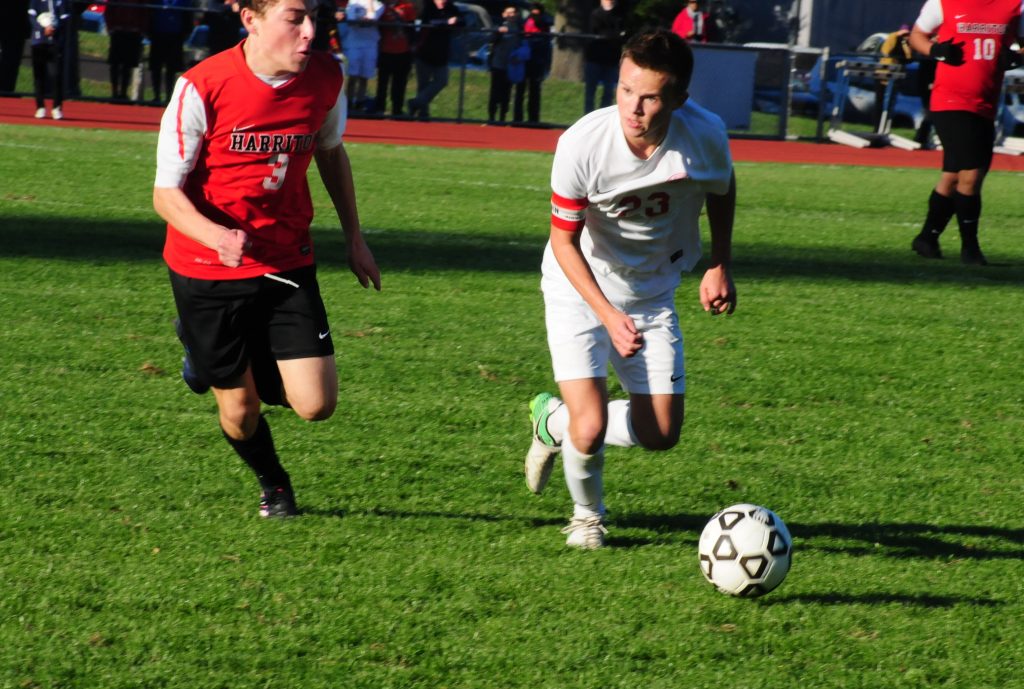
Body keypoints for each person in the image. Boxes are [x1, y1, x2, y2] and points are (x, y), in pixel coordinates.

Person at [152, 0, 381, 518]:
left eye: (314, 19)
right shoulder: (201, 86)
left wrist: (354, 238)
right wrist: (216, 235)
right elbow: (165, 195)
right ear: (251, 20)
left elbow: (330, 151)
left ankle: (216, 357)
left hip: (286, 259)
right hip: (207, 269)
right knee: (239, 409)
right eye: (294, 18)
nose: (309, 32)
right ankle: (273, 483)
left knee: (316, 406)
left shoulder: (326, 77)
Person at [526, 29, 736, 549]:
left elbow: (723, 189)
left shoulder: (704, 135)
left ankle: (554, 421)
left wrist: (719, 263)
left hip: (650, 292)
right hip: (579, 287)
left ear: (679, 100)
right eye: (624, 90)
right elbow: (564, 241)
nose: (633, 107)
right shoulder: (582, 143)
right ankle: (586, 518)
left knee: (662, 433)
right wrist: (606, 314)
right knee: (592, 425)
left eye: (649, 96)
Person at [908, 0, 1023, 265]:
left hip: (985, 103)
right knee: (971, 175)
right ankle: (970, 249)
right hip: (950, 99)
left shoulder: (1015, 5)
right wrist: (935, 50)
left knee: (953, 176)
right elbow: (917, 35)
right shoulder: (944, 2)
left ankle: (927, 238)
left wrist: (1018, 56)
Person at [407, 0, 461, 120]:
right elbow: (426, 21)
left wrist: (456, 21)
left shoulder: (451, 7)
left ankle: (415, 102)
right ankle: (423, 113)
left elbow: (462, 21)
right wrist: (446, 22)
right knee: (423, 84)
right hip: (425, 51)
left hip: (442, 53)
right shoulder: (427, 5)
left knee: (442, 80)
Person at [28, 0, 70, 119]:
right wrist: (43, 28)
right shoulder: (36, 1)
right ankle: (40, 107)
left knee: (56, 75)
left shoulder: (60, 2)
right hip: (38, 42)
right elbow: (31, 17)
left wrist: (53, 27)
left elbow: (65, 18)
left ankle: (57, 107)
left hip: (55, 43)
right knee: (39, 75)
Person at [374, 0, 416, 116]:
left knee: (400, 83)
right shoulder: (382, 8)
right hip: (385, 50)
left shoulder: (407, 7)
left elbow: (411, 29)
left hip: (403, 51)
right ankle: (379, 108)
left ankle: (397, 109)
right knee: (382, 82)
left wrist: (412, 48)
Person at [583, 0, 626, 113]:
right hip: (594, 58)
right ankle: (588, 119)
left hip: (612, 59)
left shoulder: (620, 14)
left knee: (608, 92)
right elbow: (595, 31)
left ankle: (603, 118)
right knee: (590, 92)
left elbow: (622, 33)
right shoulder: (594, 14)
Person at [149, 0, 195, 104]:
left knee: (172, 68)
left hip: (175, 36)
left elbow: (188, 15)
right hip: (158, 35)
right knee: (156, 67)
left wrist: (185, 33)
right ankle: (156, 96)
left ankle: (169, 96)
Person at [513, 1, 552, 124]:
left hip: (537, 62)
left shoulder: (545, 26)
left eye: (537, 14)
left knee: (535, 92)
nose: (535, 16)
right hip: (523, 62)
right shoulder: (524, 23)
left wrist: (545, 63)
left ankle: (533, 120)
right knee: (520, 91)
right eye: (533, 13)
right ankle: (517, 119)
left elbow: (546, 45)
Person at [340, 0, 383, 110]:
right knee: (353, 76)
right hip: (354, 43)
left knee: (364, 76)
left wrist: (369, 3)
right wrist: (362, 21)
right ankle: (348, 102)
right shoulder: (353, 3)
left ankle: (360, 102)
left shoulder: (379, 5)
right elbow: (352, 20)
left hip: (370, 44)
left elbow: (372, 18)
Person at [487, 5, 524, 123]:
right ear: (503, 14)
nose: (511, 15)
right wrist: (498, 33)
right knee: (495, 92)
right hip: (498, 65)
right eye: (508, 13)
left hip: (511, 66)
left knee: (506, 93)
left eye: (513, 12)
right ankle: (491, 117)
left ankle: (502, 117)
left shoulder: (519, 29)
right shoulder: (500, 27)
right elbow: (490, 39)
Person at [105, 0, 148, 101]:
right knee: (115, 64)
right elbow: (109, 9)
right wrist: (111, 27)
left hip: (133, 33)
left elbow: (144, 12)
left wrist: (141, 29)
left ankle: (123, 93)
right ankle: (114, 93)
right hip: (118, 31)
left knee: (127, 65)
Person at [872, 24, 912, 131]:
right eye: (905, 34)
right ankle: (877, 128)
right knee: (879, 102)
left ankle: (884, 128)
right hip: (883, 73)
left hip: (895, 76)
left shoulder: (906, 44)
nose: (906, 36)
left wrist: (905, 43)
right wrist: (897, 35)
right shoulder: (892, 38)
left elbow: (908, 58)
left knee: (890, 103)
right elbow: (886, 51)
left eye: (908, 34)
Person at [1, 0, 31, 94]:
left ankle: (6, 90)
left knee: (11, 58)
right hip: (15, 18)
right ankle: (6, 89)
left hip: (16, 19)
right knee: (11, 56)